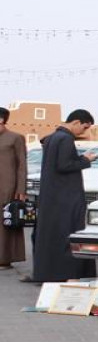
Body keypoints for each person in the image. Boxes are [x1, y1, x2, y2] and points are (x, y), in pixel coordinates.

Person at [32, 109, 98, 283]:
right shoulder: (65, 138)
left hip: (53, 195)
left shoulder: (53, 137)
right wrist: (86, 159)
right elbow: (64, 165)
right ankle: (67, 274)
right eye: (84, 127)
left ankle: (49, 273)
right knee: (69, 234)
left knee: (52, 236)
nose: (84, 131)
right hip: (66, 196)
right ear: (76, 122)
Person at [0, 107, 26, 269]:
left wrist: (21, 189)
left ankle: (4, 259)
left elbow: (22, 165)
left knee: (5, 223)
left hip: (7, 187)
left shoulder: (15, 138)